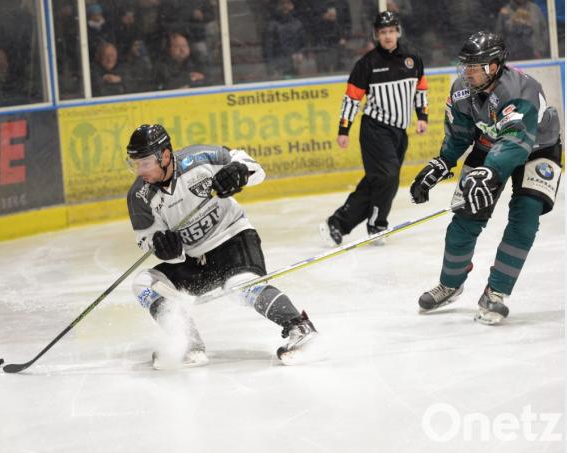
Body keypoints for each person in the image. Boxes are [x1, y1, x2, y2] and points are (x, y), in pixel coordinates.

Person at [125, 124, 319, 369]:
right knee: (143, 283)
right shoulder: (139, 196)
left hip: (234, 240)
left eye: (145, 162)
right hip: (195, 260)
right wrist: (164, 249)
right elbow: (145, 239)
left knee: (240, 286)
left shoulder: (199, 159)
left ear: (164, 156)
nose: (139, 170)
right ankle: (188, 343)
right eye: (135, 163)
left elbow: (255, 168)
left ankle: (299, 327)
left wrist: (240, 171)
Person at [409, 31, 561, 325]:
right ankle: (450, 283)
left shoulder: (520, 89)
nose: (467, 72)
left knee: (525, 217)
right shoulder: (461, 90)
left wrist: (489, 172)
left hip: (538, 148)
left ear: (494, 66)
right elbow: (459, 134)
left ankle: (496, 293)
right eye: (465, 65)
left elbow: (517, 140)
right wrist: (443, 161)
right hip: (490, 144)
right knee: (465, 215)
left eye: (474, 66)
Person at [319, 11, 428, 247]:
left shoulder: (412, 58)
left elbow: (421, 88)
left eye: (391, 31)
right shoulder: (367, 63)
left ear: (397, 32)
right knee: (388, 177)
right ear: (376, 35)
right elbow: (351, 100)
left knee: (378, 180)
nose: (387, 36)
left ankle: (337, 223)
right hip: (375, 130)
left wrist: (422, 116)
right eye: (382, 33)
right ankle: (377, 224)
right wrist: (343, 130)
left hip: (399, 132)